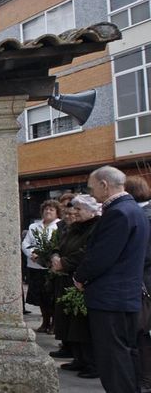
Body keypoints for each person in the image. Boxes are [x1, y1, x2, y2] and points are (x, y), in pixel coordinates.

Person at [74, 166, 149, 392]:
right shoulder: (134, 210)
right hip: (126, 296)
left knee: (113, 358)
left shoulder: (118, 213)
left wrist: (80, 277)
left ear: (104, 185)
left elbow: (102, 256)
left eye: (92, 187)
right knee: (126, 353)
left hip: (111, 298)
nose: (91, 192)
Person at [50, 194, 101, 379]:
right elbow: (60, 245)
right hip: (66, 276)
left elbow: (87, 252)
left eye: (79, 210)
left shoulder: (96, 227)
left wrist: (65, 262)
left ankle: (91, 363)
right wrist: (55, 257)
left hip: (81, 279)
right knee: (70, 322)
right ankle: (79, 358)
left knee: (82, 325)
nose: (74, 213)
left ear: (90, 211)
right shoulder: (74, 228)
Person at [126, 175, 151, 391]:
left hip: (144, 280)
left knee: (143, 331)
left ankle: (145, 376)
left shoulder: (140, 216)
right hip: (143, 278)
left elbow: (144, 254)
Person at [21, 199, 61, 334]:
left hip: (50, 267)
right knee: (41, 297)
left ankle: (55, 324)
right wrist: (31, 253)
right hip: (35, 265)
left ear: (57, 212)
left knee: (52, 297)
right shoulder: (34, 226)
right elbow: (26, 243)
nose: (48, 211)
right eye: (46, 209)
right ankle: (45, 322)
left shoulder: (58, 226)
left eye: (51, 209)